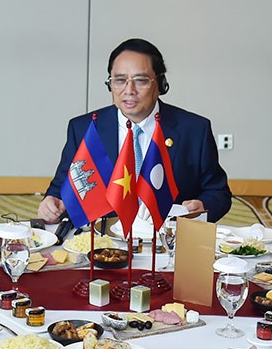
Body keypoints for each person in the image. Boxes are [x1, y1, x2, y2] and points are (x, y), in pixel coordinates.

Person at [37, 37, 233, 223]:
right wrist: (51, 202)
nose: (129, 90)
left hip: (167, 243)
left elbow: (219, 193)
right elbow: (62, 188)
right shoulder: (85, 128)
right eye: (120, 80)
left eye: (140, 80)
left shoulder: (194, 130)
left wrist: (203, 206)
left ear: (161, 84)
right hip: (104, 244)